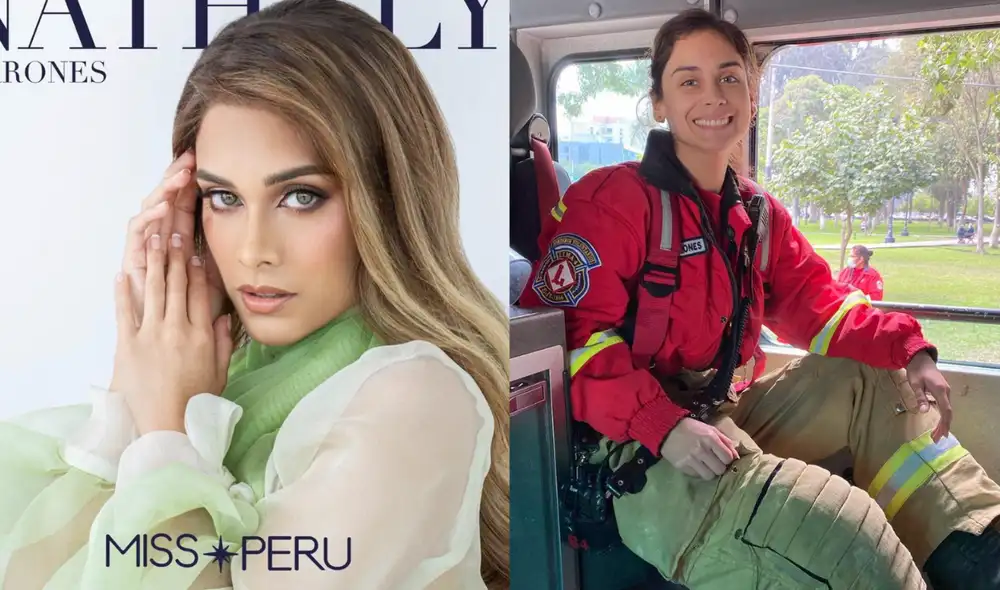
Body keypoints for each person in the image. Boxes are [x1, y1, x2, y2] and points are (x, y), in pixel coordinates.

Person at [0, 1, 509, 588]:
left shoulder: (414, 396)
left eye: (300, 196)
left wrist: (165, 432)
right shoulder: (222, 376)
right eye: (224, 199)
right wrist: (135, 390)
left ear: (389, 199)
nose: (252, 250)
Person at [519, 9, 1000, 590]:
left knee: (874, 374)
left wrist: (911, 347)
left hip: (717, 414)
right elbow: (568, 344)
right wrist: (661, 424)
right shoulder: (613, 202)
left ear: (751, 96)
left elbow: (821, 305)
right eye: (688, 80)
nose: (712, 95)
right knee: (845, 536)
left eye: (729, 78)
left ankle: (975, 550)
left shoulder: (756, 214)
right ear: (660, 103)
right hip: (630, 451)